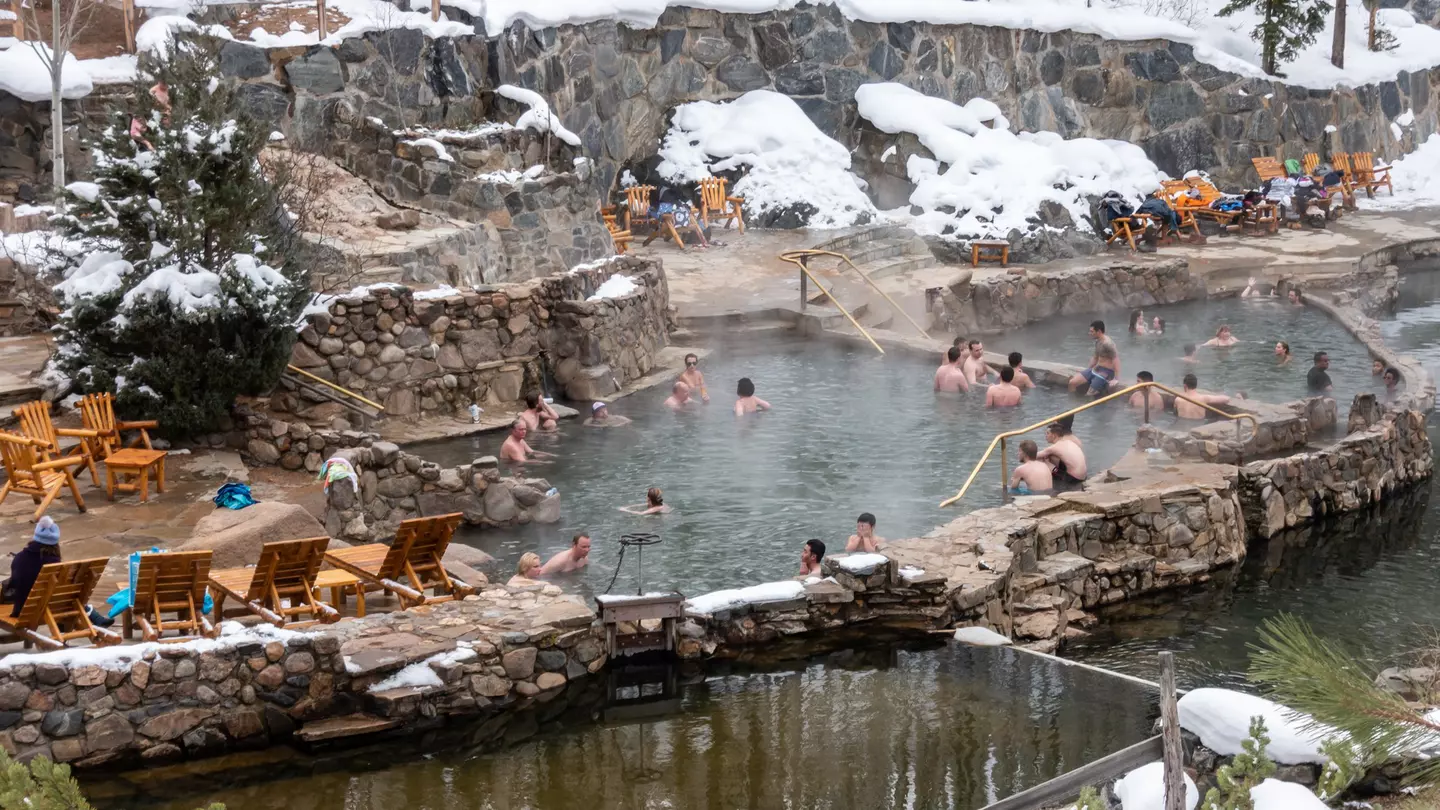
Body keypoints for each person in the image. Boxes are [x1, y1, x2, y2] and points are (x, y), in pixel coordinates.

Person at [1069, 320, 1119, 397]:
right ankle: (1071, 403)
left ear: (1098, 331)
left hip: (1106, 373)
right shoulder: (1098, 341)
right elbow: (1095, 357)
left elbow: (1116, 359)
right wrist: (1087, 370)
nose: (1090, 334)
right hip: (1096, 369)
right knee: (1072, 382)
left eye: (1092, 332)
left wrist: (1116, 378)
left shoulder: (1108, 344)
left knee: (1089, 395)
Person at [1038, 420, 1087, 489]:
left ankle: (1042, 484)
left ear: (1054, 435)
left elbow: (1032, 455)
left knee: (1043, 461)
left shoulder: (1054, 447)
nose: (1046, 436)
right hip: (1083, 477)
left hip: (1073, 480)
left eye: (1047, 433)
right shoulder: (1069, 442)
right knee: (1050, 457)